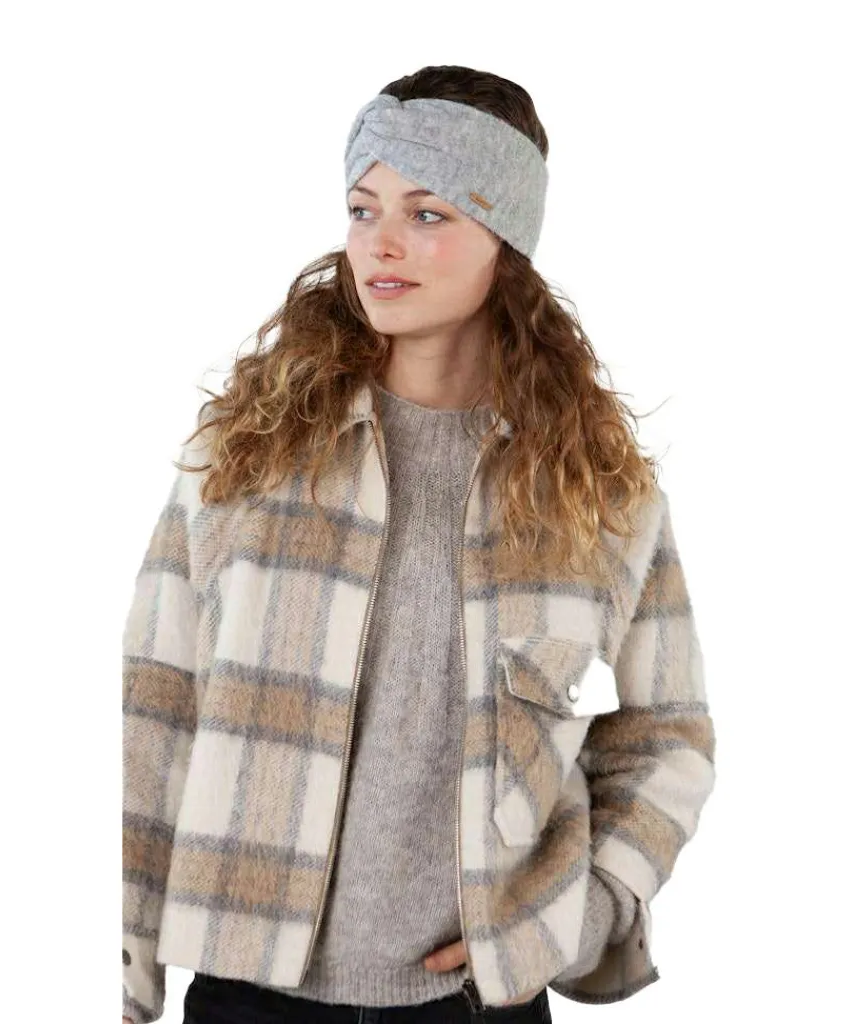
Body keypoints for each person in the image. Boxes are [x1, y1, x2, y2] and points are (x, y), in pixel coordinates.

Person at [122, 64, 716, 1024]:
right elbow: (154, 707)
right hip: (248, 995)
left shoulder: (599, 494)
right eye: (363, 209)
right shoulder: (246, 454)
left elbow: (669, 731)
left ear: (506, 239)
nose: (380, 244)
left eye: (428, 213)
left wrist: (581, 916)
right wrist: (126, 983)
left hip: (476, 1003)